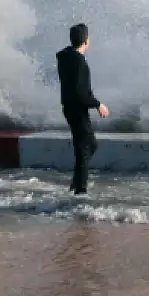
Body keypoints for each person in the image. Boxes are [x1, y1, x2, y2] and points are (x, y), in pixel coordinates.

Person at [56, 23, 109, 195]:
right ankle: (80, 189)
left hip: (69, 107)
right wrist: (98, 104)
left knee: (86, 145)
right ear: (86, 41)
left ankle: (77, 181)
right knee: (87, 146)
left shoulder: (65, 56)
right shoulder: (79, 62)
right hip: (77, 109)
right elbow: (81, 92)